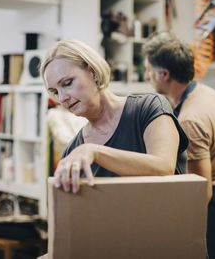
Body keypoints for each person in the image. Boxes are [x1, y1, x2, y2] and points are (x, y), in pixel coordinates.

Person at [40, 39, 188, 194]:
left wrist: (96, 153)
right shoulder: (74, 151)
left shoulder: (148, 108)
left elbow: (164, 168)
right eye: (55, 92)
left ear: (93, 73)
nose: (62, 98)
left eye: (67, 83)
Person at [142, 31, 215, 259]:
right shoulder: (207, 93)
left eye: (148, 70)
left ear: (164, 74)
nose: (146, 75)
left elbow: (201, 191)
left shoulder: (190, 119)